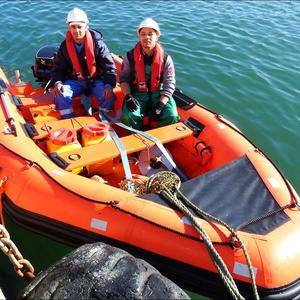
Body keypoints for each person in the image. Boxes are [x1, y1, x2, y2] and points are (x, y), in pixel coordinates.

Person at [51, 8, 117, 119]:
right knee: (60, 96)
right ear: (69, 28)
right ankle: (69, 121)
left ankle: (103, 119)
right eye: (73, 27)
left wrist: (109, 85)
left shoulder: (98, 44)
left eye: (79, 27)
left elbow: (109, 67)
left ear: (86, 27)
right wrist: (57, 82)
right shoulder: (64, 47)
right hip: (74, 80)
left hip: (95, 79)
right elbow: (58, 68)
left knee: (109, 97)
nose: (77, 30)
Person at [120, 18, 179, 130]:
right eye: (143, 34)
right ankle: (138, 136)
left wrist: (161, 105)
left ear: (157, 36)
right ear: (139, 36)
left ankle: (158, 133)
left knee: (172, 115)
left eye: (150, 34)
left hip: (159, 94)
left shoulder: (166, 59)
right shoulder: (130, 57)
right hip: (137, 94)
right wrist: (128, 97)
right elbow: (124, 79)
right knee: (128, 116)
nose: (146, 37)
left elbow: (169, 83)